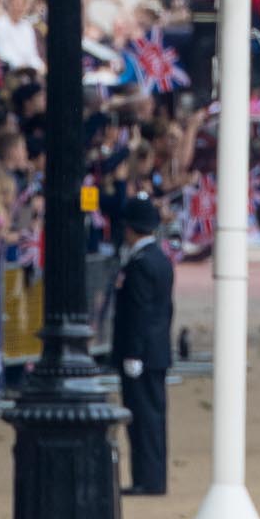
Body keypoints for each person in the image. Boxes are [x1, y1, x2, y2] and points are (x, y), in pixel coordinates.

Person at [112, 195, 173, 496]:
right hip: (157, 351)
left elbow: (138, 312)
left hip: (142, 353)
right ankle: (153, 477)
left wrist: (133, 352)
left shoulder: (140, 264)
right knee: (153, 418)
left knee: (143, 420)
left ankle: (147, 480)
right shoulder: (159, 259)